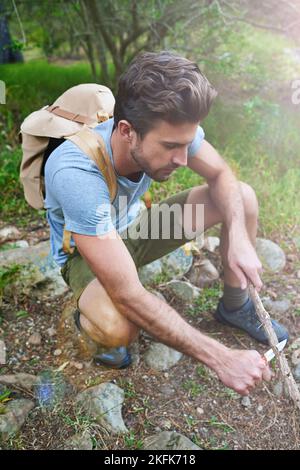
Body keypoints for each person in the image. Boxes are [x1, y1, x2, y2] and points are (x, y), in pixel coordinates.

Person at [44, 51, 288, 396]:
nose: (183, 159)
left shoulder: (171, 125)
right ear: (127, 131)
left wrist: (238, 236)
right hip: (86, 253)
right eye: (171, 147)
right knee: (118, 329)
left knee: (242, 198)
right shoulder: (74, 171)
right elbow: (128, 294)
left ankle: (236, 305)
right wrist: (222, 358)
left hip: (135, 231)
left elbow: (221, 174)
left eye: (187, 144)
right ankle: (86, 314)